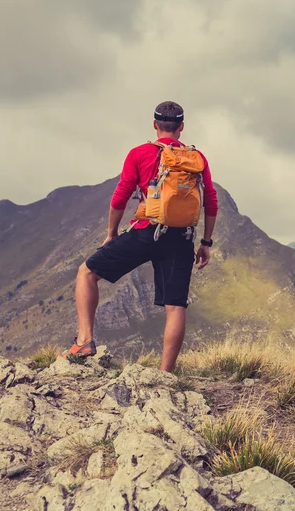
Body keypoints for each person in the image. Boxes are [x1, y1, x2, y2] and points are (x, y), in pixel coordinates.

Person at [61, 102, 218, 371]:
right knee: (175, 305)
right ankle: (164, 374)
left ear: (155, 125)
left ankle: (85, 341)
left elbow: (121, 196)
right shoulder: (196, 158)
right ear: (181, 127)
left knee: (87, 273)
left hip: (146, 232)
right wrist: (205, 243)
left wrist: (111, 233)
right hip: (182, 238)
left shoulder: (140, 153)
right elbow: (211, 202)